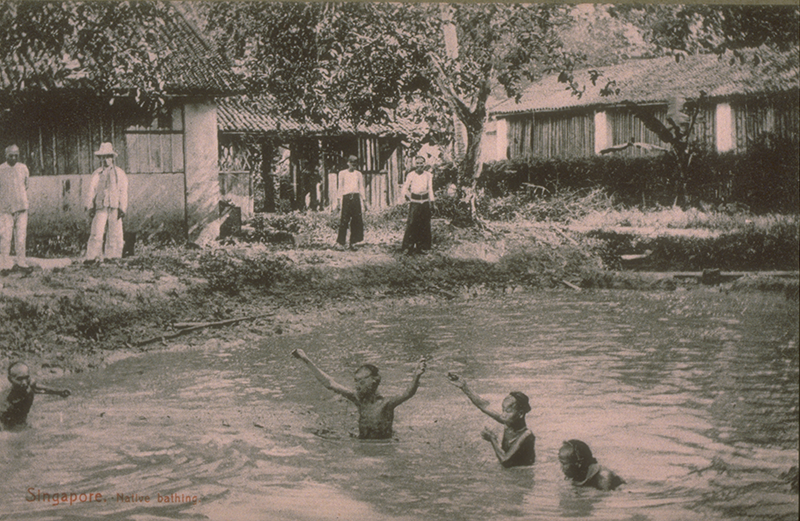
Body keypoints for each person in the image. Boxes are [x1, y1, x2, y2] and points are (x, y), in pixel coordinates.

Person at [291, 348, 426, 439]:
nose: (357, 386)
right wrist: (306, 360)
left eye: (361, 382)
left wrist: (416, 376)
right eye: (356, 382)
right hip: (362, 441)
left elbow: (408, 393)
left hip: (383, 444)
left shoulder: (386, 404)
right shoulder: (358, 399)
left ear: (374, 382)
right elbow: (329, 383)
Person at [447, 371, 535, 468]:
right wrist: (464, 387)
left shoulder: (527, 435)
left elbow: (505, 461)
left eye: (508, 411)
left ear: (520, 414)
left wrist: (492, 439)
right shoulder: (508, 423)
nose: (503, 415)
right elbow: (484, 405)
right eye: (503, 410)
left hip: (522, 477)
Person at [85, 142, 128, 263]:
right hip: (101, 206)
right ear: (100, 158)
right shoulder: (97, 174)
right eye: (103, 157)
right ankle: (92, 257)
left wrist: (122, 208)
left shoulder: (119, 173)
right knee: (97, 232)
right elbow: (91, 191)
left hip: (114, 206)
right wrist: (90, 206)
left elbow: (123, 191)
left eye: (108, 156)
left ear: (112, 158)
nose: (105, 160)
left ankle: (113, 256)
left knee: (115, 232)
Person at [1, 361, 71, 430]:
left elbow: (39, 388)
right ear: (10, 379)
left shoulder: (29, 384)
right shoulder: (6, 400)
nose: (24, 382)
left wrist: (59, 392)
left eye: (26, 377)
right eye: (19, 379)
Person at [0, 145, 30, 271]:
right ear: (5, 155)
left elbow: (26, 185)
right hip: (5, 210)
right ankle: (5, 265)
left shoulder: (23, 168)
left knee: (21, 237)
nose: (13, 158)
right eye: (10, 155)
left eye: (15, 155)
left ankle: (21, 263)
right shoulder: (1, 169)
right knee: (5, 237)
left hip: (21, 208)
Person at [400, 156, 435, 254]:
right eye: (418, 163)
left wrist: (432, 202)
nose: (419, 165)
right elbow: (405, 188)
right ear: (415, 164)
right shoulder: (411, 175)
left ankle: (422, 247)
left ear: (424, 164)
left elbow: (430, 189)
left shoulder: (428, 175)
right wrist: (409, 197)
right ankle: (409, 247)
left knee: (424, 224)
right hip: (415, 202)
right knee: (412, 224)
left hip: (425, 202)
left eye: (421, 163)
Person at [558, 439, 625, 491]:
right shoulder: (575, 472)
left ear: (578, 464)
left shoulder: (603, 477)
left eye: (563, 464)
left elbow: (606, 499)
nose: (561, 467)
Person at [334, 155, 367, 251]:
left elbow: (361, 188)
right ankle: (340, 242)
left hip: (356, 198)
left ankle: (354, 242)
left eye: (355, 163)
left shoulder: (358, 174)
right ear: (348, 163)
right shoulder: (342, 173)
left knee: (356, 220)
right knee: (344, 220)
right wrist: (339, 201)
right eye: (352, 163)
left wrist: (364, 201)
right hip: (346, 198)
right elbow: (340, 188)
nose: (354, 165)